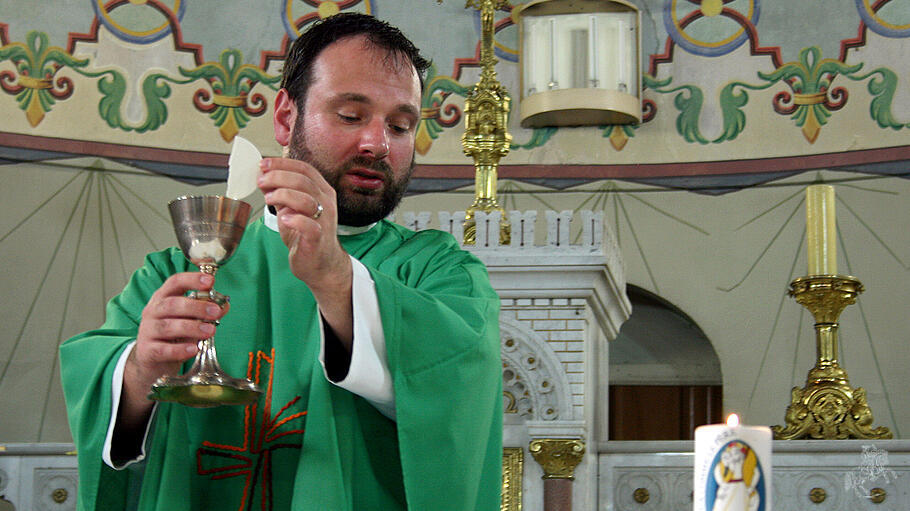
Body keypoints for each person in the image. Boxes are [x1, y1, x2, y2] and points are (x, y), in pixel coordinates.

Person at [60, 13, 503, 511]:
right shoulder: (175, 275)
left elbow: (460, 403)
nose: (377, 144)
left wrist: (336, 277)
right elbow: (97, 395)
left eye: (400, 126)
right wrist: (140, 369)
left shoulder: (439, 274)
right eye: (352, 115)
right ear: (287, 119)